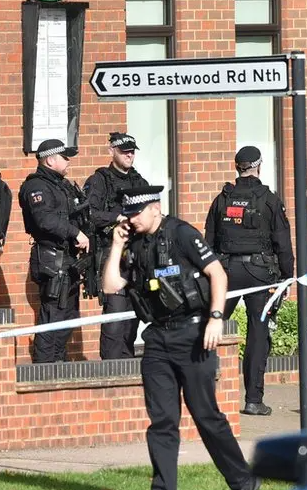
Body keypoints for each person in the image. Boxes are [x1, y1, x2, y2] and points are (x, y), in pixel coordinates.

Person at [102, 186, 259, 490]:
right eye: (129, 214)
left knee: (205, 415)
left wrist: (216, 319)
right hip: (157, 339)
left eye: (136, 213)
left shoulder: (182, 234)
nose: (131, 220)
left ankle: (243, 482)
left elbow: (218, 274)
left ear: (155, 208)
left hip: (193, 334)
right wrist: (117, 246)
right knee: (162, 422)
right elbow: (110, 286)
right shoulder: (133, 244)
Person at [204, 145, 294, 417]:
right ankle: (253, 400)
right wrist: (287, 279)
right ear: (259, 166)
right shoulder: (269, 199)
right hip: (260, 274)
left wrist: (210, 275)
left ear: (236, 167)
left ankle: (201, 392)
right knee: (258, 335)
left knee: (212, 328)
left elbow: (208, 241)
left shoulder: (222, 199)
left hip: (226, 273)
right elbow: (283, 244)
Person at [17, 139, 90, 363]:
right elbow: (44, 220)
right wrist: (74, 233)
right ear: (50, 159)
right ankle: (45, 367)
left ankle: (58, 362)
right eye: (64, 157)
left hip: (68, 259)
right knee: (53, 315)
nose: (68, 161)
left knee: (69, 315)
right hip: (52, 259)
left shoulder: (62, 185)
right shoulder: (36, 186)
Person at [83, 131, 149, 360]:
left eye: (132, 152)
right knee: (115, 316)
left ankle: (127, 370)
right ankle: (110, 369)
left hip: (137, 257)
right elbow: (89, 214)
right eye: (124, 152)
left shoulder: (139, 181)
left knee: (133, 318)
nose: (130, 156)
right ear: (112, 151)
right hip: (111, 256)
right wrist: (117, 217)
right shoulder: (99, 180)